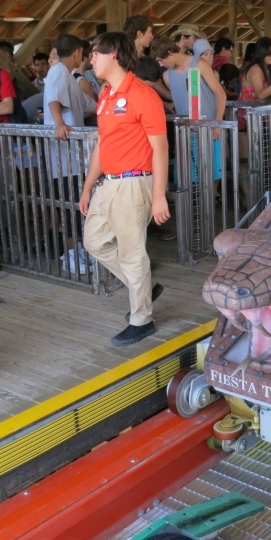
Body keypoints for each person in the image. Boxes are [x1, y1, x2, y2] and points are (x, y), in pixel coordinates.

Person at [79, 33, 170, 346]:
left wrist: (159, 196)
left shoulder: (142, 95)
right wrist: (88, 186)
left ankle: (142, 319)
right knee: (93, 241)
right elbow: (102, 145)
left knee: (132, 255)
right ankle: (145, 285)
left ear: (113, 54)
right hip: (110, 182)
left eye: (95, 54)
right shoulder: (105, 93)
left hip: (134, 182)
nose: (91, 60)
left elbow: (160, 148)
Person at [44, 33, 97, 274]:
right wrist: (58, 124)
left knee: (78, 202)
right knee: (67, 204)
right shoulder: (57, 71)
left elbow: (89, 106)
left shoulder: (70, 79)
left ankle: (82, 250)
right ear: (77, 53)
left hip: (76, 157)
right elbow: (53, 100)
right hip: (62, 156)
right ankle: (70, 254)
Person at [239, 37, 271, 102]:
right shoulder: (255, 68)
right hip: (248, 110)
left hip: (255, 110)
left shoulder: (265, 68)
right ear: (261, 53)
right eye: (269, 53)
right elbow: (261, 95)